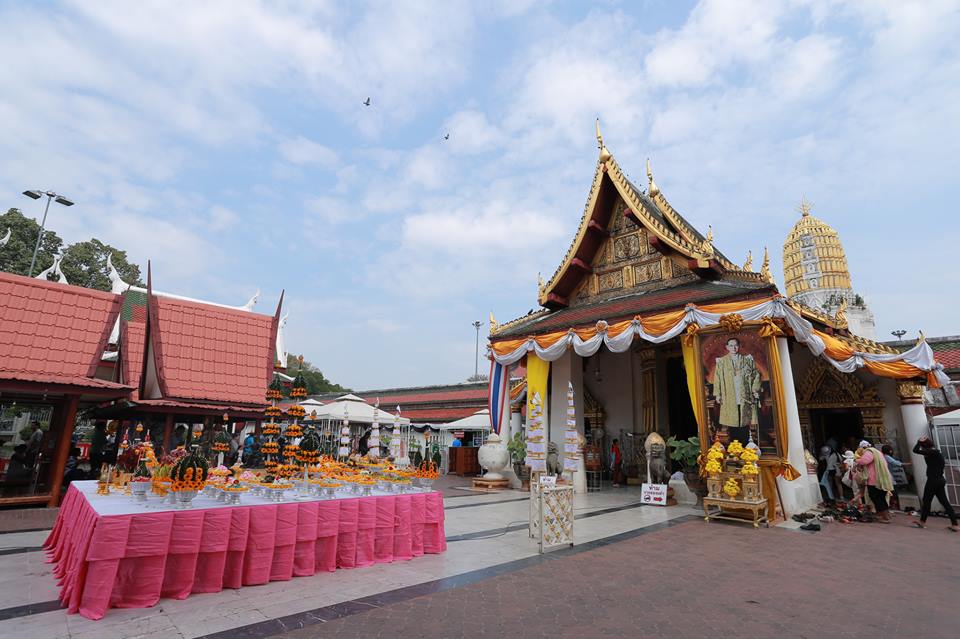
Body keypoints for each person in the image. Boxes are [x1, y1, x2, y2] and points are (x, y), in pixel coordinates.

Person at [713, 338, 761, 444]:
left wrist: (754, 389)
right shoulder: (721, 362)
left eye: (735, 345)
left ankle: (746, 444)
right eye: (731, 345)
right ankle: (734, 446)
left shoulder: (747, 360)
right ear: (727, 347)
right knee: (732, 420)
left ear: (739, 346)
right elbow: (717, 379)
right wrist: (718, 394)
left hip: (744, 394)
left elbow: (756, 374)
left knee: (744, 420)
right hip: (729, 394)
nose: (733, 348)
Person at [912, 436, 959, 531]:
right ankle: (955, 524)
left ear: (924, 446)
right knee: (944, 502)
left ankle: (922, 521)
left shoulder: (931, 452)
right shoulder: (935, 452)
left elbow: (915, 450)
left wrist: (919, 442)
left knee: (927, 500)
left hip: (933, 480)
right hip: (940, 480)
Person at [854, 440, 894, 523]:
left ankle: (884, 517)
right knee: (881, 498)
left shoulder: (869, 452)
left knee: (876, 497)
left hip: (874, 480)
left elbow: (864, 461)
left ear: (863, 447)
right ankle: (886, 515)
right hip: (881, 479)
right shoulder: (877, 452)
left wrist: (856, 460)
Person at [881, 444, 908, 510]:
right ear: (890, 451)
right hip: (889, 476)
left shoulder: (882, 456)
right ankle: (893, 504)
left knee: (888, 491)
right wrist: (908, 464)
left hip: (885, 476)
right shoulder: (886, 457)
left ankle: (890, 504)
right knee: (893, 490)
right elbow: (895, 462)